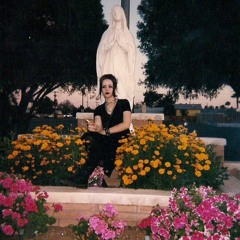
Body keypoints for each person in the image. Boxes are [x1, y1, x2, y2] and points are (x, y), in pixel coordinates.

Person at [79, 74, 132, 187]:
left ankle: (83, 176)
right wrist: (93, 128)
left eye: (110, 86)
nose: (107, 89)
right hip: (106, 139)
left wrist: (106, 131)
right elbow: (99, 127)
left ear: (114, 88)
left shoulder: (124, 103)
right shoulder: (98, 109)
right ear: (101, 89)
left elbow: (126, 124)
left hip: (122, 138)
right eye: (104, 87)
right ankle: (84, 176)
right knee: (89, 136)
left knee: (99, 142)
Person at [96, 5, 136, 110]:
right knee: (108, 85)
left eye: (118, 11)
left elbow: (132, 52)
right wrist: (110, 44)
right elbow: (100, 51)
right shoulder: (107, 33)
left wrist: (122, 44)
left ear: (122, 14)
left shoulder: (127, 34)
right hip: (108, 65)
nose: (115, 13)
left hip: (122, 66)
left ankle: (121, 112)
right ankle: (108, 111)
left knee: (121, 88)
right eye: (113, 11)